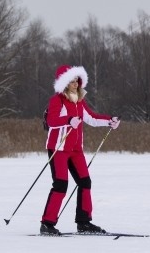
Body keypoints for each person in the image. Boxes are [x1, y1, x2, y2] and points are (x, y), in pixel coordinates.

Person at [40, 65, 120, 236]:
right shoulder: (57, 100)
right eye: (71, 81)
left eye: (77, 80)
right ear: (64, 82)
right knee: (61, 185)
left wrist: (109, 121)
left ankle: (84, 223)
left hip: (76, 150)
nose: (75, 84)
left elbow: (91, 118)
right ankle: (47, 224)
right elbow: (52, 120)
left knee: (85, 182)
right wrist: (68, 120)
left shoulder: (79, 101)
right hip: (58, 148)